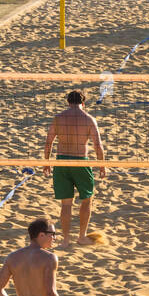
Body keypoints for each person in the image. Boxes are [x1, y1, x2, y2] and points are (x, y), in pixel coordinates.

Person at [43, 89, 106, 246]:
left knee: (66, 204)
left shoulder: (58, 118)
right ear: (83, 103)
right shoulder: (89, 119)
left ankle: (65, 240)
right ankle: (81, 236)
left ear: (68, 102)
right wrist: (102, 165)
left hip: (61, 162)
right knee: (86, 200)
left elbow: (48, 142)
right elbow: (98, 146)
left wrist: (47, 161)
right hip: (80, 162)